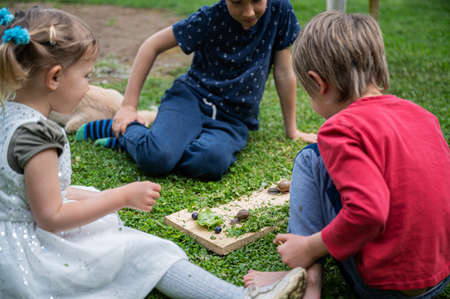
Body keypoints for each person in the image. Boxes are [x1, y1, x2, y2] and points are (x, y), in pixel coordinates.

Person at [0, 6, 309, 298]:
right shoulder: (39, 137)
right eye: (86, 77)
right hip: (33, 253)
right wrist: (121, 197)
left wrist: (100, 199)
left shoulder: (9, 116)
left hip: (15, 236)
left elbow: (28, 195)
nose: (87, 86)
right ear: (54, 77)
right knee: (149, 252)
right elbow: (52, 216)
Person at [243, 11, 450, 299]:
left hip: (384, 287)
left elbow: (369, 212)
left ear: (318, 83)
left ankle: (305, 279)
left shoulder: (339, 128)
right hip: (439, 276)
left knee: (310, 158)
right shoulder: (423, 117)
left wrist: (309, 247)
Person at [76, 0, 317, 181]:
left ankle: (154, 143)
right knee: (156, 160)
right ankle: (127, 134)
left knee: (210, 163)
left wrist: (292, 130)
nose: (249, 12)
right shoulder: (209, 17)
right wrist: (128, 105)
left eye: (256, 0)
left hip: (233, 117)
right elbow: (152, 45)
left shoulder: (280, 11)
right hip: (190, 98)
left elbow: (284, 73)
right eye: (237, 2)